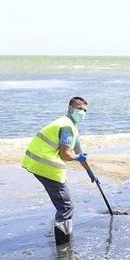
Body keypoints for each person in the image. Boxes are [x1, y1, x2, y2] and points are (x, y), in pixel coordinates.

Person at [22, 97, 90, 245]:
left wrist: (89, 172)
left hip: (36, 163)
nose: (82, 112)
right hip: (47, 167)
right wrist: (78, 158)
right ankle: (64, 246)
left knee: (63, 205)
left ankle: (60, 232)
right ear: (70, 108)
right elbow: (66, 154)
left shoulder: (69, 125)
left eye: (85, 110)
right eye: (79, 109)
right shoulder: (67, 127)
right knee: (66, 206)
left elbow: (78, 150)